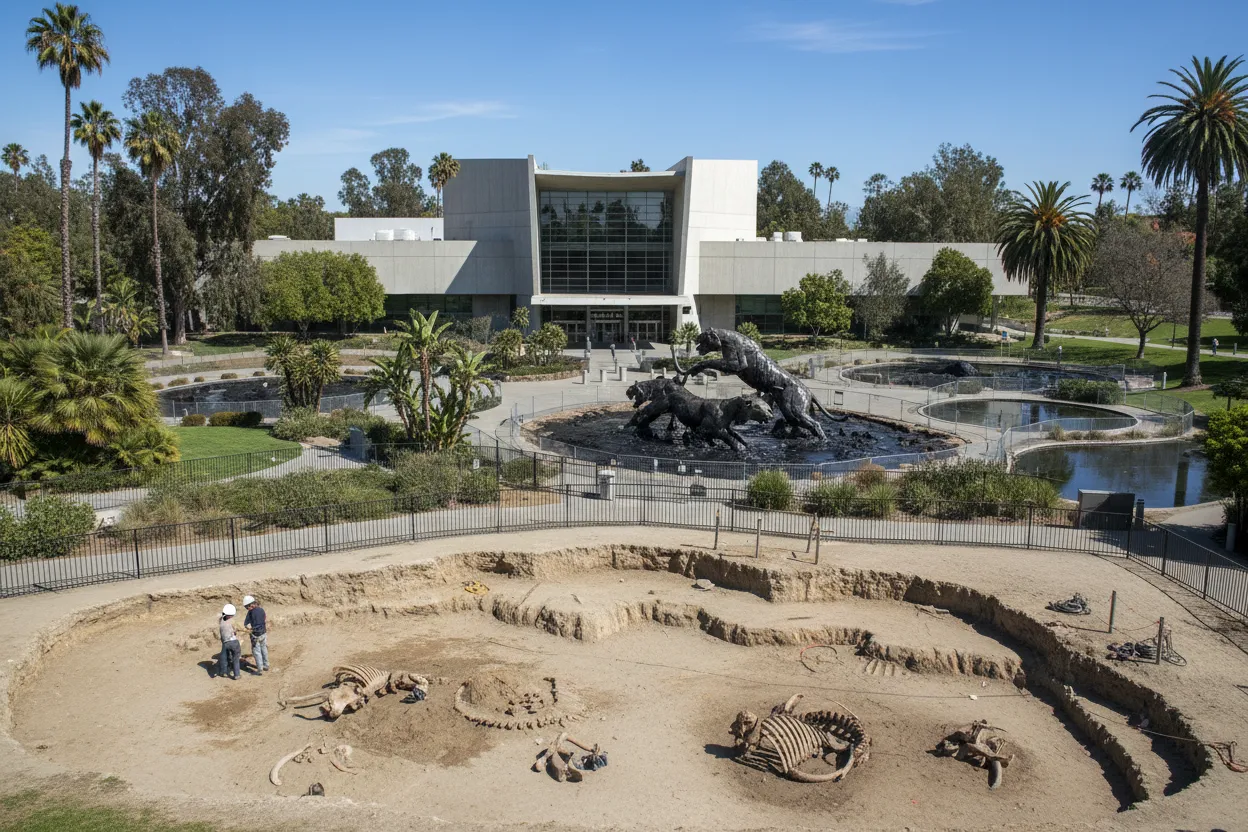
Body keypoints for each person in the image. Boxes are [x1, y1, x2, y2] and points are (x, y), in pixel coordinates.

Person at [243, 595, 270, 673]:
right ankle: (266, 665)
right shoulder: (261, 610)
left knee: (256, 651)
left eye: (246, 607)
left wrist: (249, 628)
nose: (247, 609)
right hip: (263, 633)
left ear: (251, 605)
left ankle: (260, 667)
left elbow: (246, 623)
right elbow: (264, 618)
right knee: (264, 649)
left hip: (255, 635)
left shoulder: (250, 612)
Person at [218, 604, 241, 680]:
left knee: (225, 656)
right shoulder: (231, 621)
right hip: (233, 641)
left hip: (225, 643)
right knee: (236, 658)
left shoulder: (221, 622)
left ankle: (224, 672)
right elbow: (236, 629)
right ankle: (236, 674)